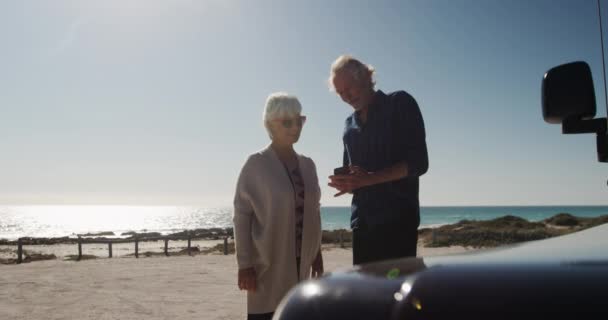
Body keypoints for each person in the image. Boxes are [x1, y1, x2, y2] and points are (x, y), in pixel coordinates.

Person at [327, 55, 429, 265]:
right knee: (366, 297)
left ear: (365, 77)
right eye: (340, 93)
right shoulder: (348, 124)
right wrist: (348, 183)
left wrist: (369, 179)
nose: (346, 97)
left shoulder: (399, 103)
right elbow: (357, 175)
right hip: (361, 226)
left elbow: (419, 162)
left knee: (399, 296)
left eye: (350, 88)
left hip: (398, 224)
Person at [233, 92, 324, 320]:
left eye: (299, 120)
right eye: (287, 122)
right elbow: (242, 216)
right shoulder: (256, 164)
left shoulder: (308, 165)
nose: (296, 127)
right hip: (267, 265)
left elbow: (313, 211)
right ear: (270, 124)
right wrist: (244, 265)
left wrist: (317, 251)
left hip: (303, 266)